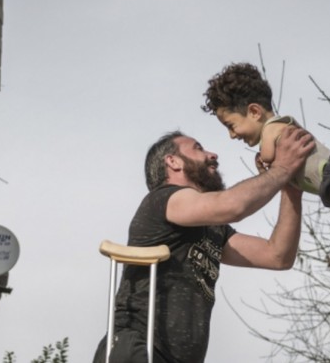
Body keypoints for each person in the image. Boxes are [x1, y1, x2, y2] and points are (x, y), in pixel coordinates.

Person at [92, 126, 315, 363]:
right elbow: (233, 206)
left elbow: (278, 255)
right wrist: (282, 168)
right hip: (139, 349)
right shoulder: (164, 199)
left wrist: (291, 188)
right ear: (173, 162)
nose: (212, 155)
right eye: (198, 148)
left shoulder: (213, 230)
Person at [202, 62, 330, 221]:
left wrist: (264, 166)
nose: (232, 135)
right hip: (326, 181)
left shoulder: (272, 128)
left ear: (255, 112)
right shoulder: (282, 126)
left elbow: (268, 156)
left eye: (231, 125)